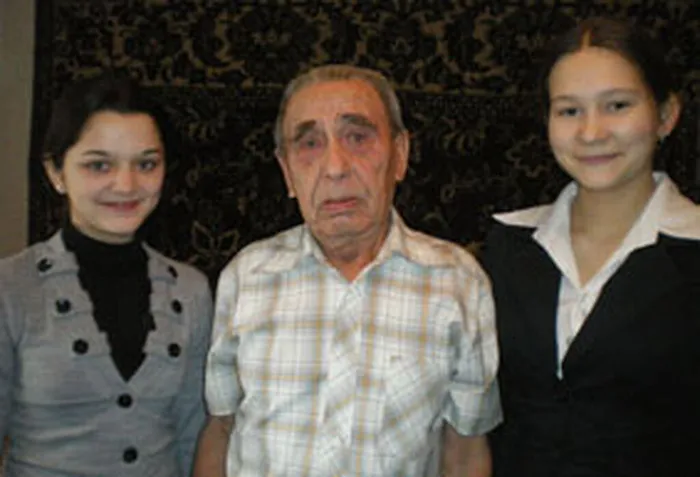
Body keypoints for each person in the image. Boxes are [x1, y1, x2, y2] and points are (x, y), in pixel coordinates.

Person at [194, 64, 502, 477]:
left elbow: (464, 451)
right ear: (287, 172)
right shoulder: (246, 277)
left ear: (400, 154)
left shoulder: (459, 284)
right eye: (309, 143)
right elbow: (221, 428)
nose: (335, 166)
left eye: (357, 137)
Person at [479, 17, 698, 476]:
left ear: (665, 115)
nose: (592, 132)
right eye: (569, 111)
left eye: (617, 105)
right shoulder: (503, 249)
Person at [0, 75, 212, 477]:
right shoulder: (10, 288)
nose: (126, 185)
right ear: (56, 172)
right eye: (99, 165)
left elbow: (192, 436)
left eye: (146, 164)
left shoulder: (191, 291)